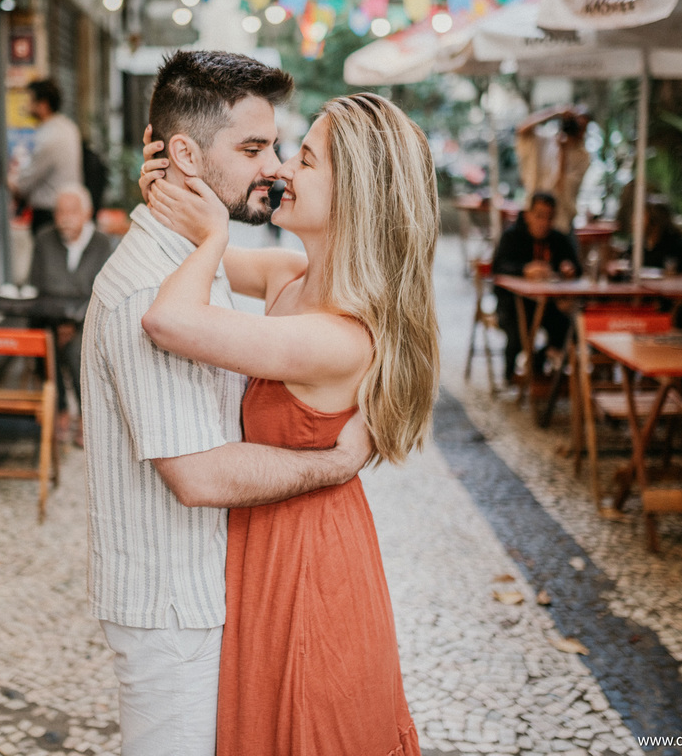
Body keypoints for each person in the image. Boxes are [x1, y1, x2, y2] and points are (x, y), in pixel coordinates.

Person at [80, 51, 373, 756]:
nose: (274, 167)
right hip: (175, 607)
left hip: (221, 589)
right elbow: (199, 477)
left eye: (284, 150)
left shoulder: (198, 262)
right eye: (255, 148)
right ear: (185, 152)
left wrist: (202, 229)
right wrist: (336, 464)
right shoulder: (149, 290)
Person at [138, 92, 431, 754]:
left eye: (305, 160)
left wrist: (214, 235)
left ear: (354, 195)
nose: (283, 173)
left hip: (310, 562)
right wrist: (170, 179)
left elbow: (168, 320)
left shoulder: (340, 337)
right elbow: (180, 253)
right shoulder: (291, 276)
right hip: (273, 537)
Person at [28, 185, 112, 447]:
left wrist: (75, 323)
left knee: (79, 350)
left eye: (72, 211)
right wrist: (58, 322)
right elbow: (36, 286)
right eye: (60, 212)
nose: (65, 218)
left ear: (87, 213)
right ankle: (61, 409)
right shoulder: (44, 240)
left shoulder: (102, 244)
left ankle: (87, 416)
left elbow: (105, 293)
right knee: (43, 343)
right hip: (49, 320)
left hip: (88, 323)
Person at [493, 192, 582, 384]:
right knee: (519, 331)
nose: (544, 222)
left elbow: (575, 266)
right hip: (515, 303)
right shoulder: (512, 237)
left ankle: (539, 363)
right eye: (539, 215)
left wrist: (569, 269)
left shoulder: (558, 239)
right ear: (528, 215)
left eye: (549, 217)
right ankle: (510, 374)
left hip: (549, 303)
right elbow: (498, 267)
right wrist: (524, 269)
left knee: (569, 328)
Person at [9, 80, 83, 235]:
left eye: (30, 101)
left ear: (42, 105)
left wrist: (9, 179)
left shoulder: (48, 137)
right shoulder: (68, 127)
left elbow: (24, 182)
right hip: (69, 207)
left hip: (49, 213)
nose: (26, 106)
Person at [516, 104, 590, 234]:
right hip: (534, 215)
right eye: (574, 122)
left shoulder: (583, 157)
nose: (577, 129)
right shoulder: (547, 141)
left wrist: (563, 153)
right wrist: (555, 113)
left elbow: (563, 187)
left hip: (560, 220)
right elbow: (522, 130)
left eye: (581, 126)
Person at [642, 202, 682, 274]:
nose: (635, 221)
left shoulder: (678, 248)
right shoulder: (639, 248)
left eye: (642, 217)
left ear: (655, 222)